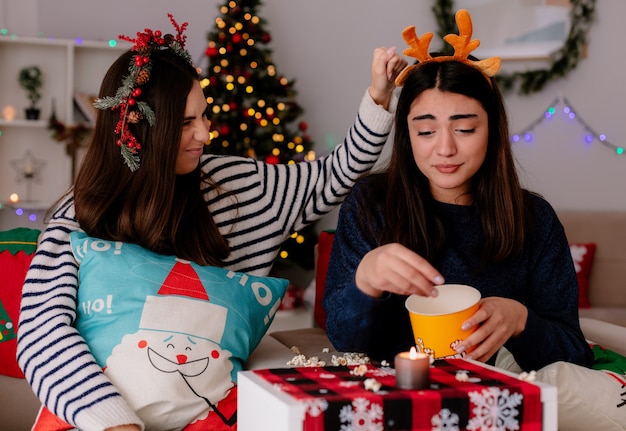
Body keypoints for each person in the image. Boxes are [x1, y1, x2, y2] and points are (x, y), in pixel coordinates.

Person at [16, 14, 408, 431]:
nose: (204, 134)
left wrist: (378, 97)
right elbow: (41, 333)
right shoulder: (79, 213)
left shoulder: (237, 187)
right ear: (140, 129)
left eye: (204, 116)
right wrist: (112, 421)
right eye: (186, 123)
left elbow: (331, 177)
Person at [323, 9, 594, 372]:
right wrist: (366, 281)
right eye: (426, 131)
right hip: (390, 399)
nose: (445, 148)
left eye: (464, 129)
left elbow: (575, 353)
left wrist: (520, 320)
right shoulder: (372, 204)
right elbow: (343, 339)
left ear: (492, 132)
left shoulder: (534, 220)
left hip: (495, 403)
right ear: (407, 137)